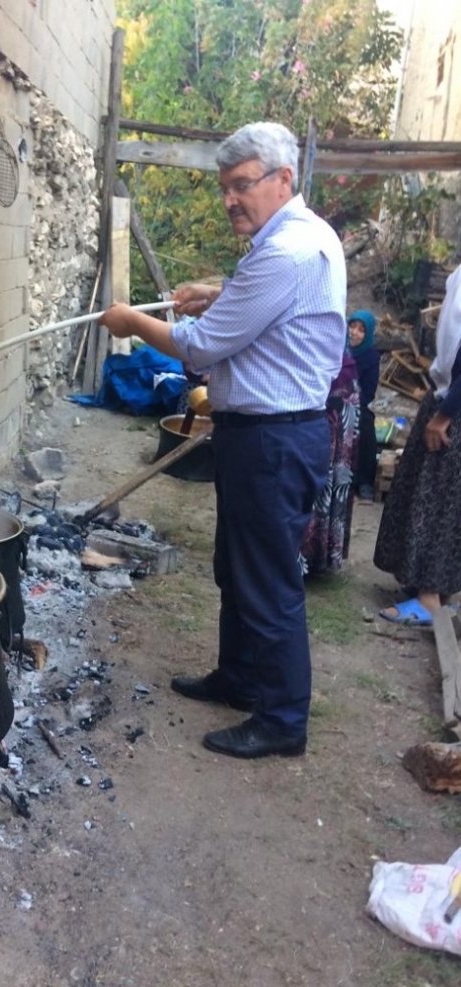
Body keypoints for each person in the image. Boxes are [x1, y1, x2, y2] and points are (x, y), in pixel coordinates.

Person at [98, 121, 347, 759]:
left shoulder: (285, 252)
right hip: (259, 437)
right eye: (226, 189)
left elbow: (201, 347)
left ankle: (283, 719)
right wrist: (215, 291)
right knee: (237, 570)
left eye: (243, 186)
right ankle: (238, 678)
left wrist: (133, 321)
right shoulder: (301, 235)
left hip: (274, 441)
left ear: (282, 179)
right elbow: (262, 309)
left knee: (266, 583)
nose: (232, 199)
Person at [374, 264, 461, 626]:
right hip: (445, 396)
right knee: (433, 499)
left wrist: (444, 414)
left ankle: (429, 598)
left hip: (452, 409)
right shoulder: (457, 275)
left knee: (437, 503)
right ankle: (435, 591)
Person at [299, 349, 360, 576]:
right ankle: (305, 557)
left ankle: (314, 557)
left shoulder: (342, 361)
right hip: (320, 413)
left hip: (333, 418)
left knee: (326, 486)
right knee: (312, 486)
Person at [347, 309, 380, 500]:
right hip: (332, 400)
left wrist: (352, 401)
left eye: (361, 330)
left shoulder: (371, 357)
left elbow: (369, 391)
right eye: (352, 326)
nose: (354, 332)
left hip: (356, 401)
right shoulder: (337, 348)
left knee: (365, 423)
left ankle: (364, 480)